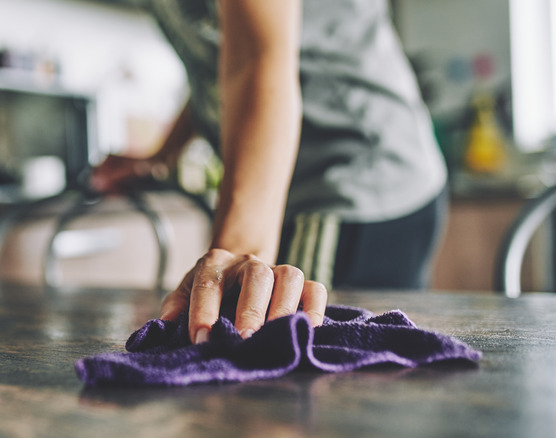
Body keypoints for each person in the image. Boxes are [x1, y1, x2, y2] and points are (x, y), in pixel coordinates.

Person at [91, 0, 447, 345]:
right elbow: (222, 68)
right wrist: (162, 156)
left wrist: (234, 264)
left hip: (356, 175)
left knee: (289, 358)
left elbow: (255, 60)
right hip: (308, 187)